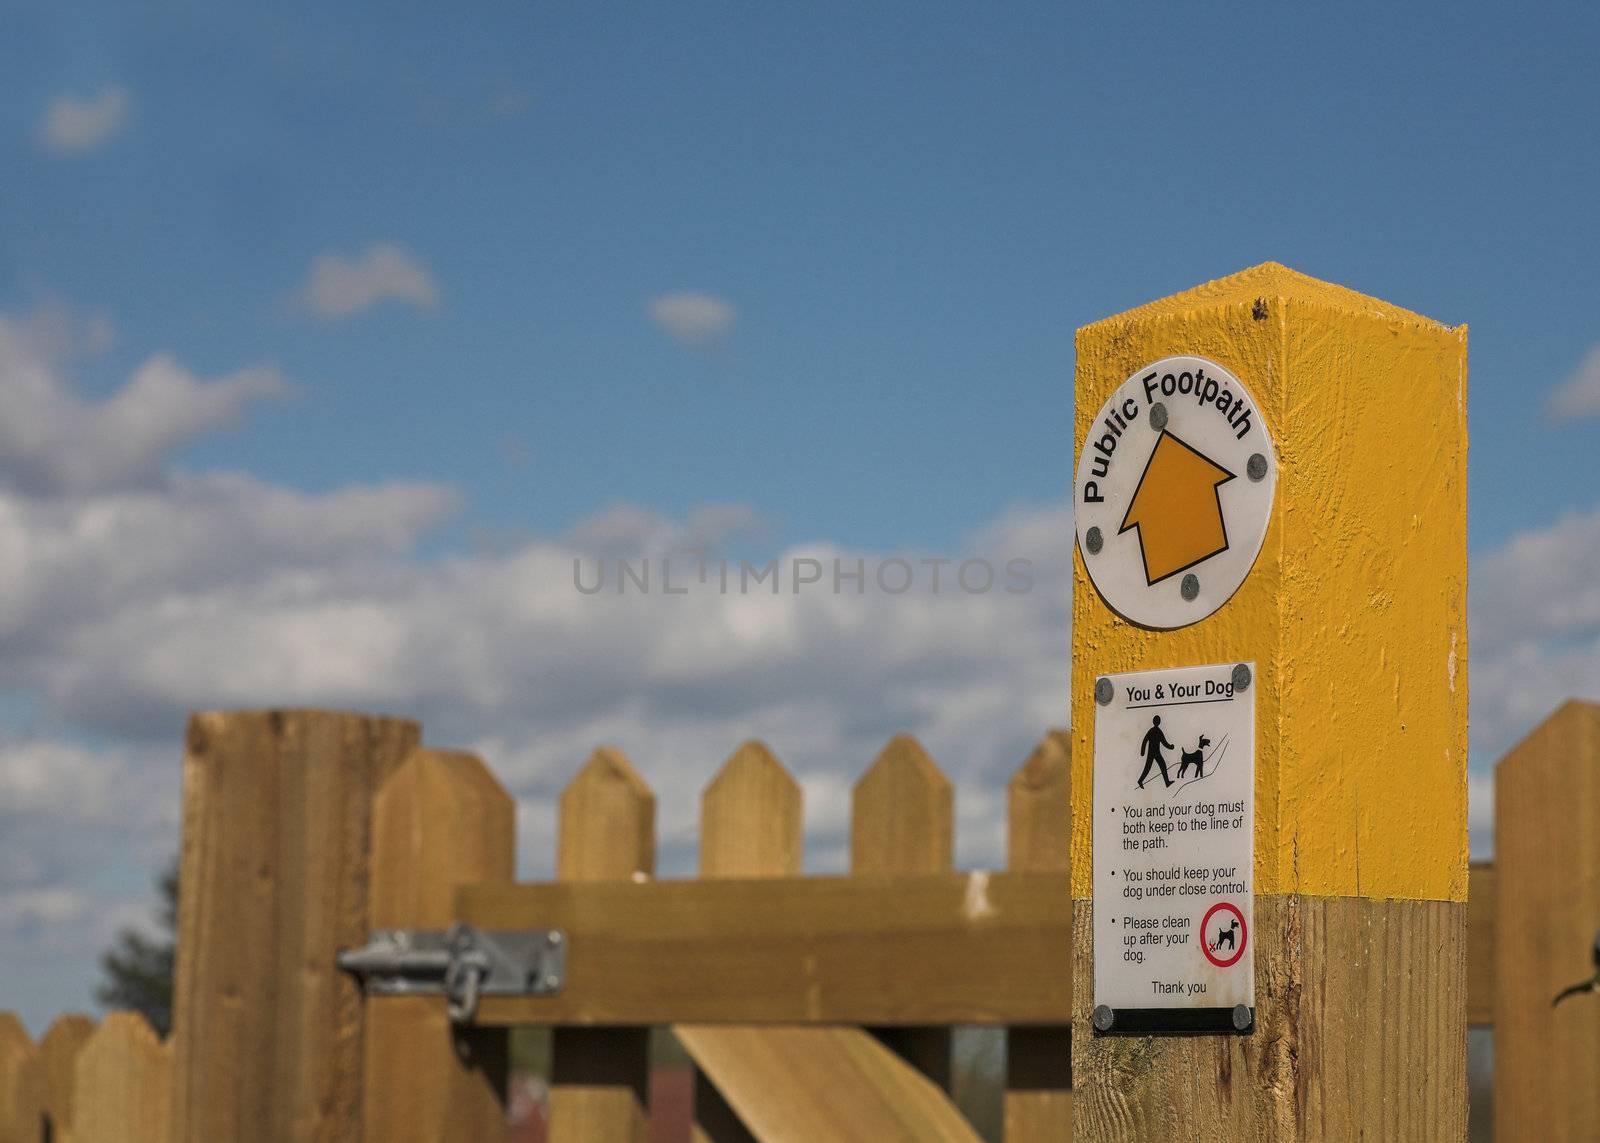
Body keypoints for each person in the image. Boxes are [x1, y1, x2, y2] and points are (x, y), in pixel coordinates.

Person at [1138, 715, 1175, 789]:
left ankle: (1167, 782)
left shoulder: (1153, 730)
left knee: (1161, 765)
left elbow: (1146, 740)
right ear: (1158, 722)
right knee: (1149, 768)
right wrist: (1171, 747)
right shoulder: (1157, 731)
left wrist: (1143, 751)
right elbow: (1164, 742)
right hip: (1154, 753)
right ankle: (1140, 780)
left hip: (1154, 753)